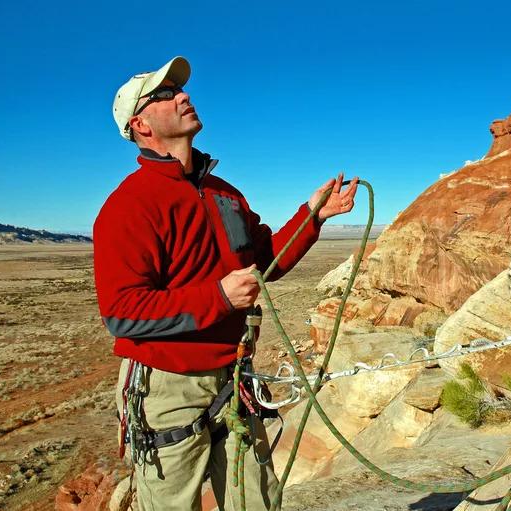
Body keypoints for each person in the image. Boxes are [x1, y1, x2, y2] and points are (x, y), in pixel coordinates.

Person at [93, 56, 358, 511]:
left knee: (257, 499)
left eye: (181, 90)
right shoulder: (129, 205)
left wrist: (313, 216)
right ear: (140, 123)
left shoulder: (225, 194)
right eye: (166, 94)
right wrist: (217, 298)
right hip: (166, 386)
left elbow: (266, 261)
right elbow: (123, 313)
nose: (184, 96)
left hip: (234, 377)